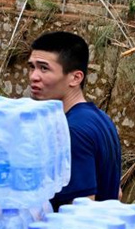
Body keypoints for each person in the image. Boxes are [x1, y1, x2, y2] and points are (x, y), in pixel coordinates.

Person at [28, 32, 122, 211]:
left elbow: (81, 209)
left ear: (75, 78)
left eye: (44, 68)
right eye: (32, 67)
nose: (34, 76)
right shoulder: (101, 119)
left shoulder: (70, 130)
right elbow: (117, 193)